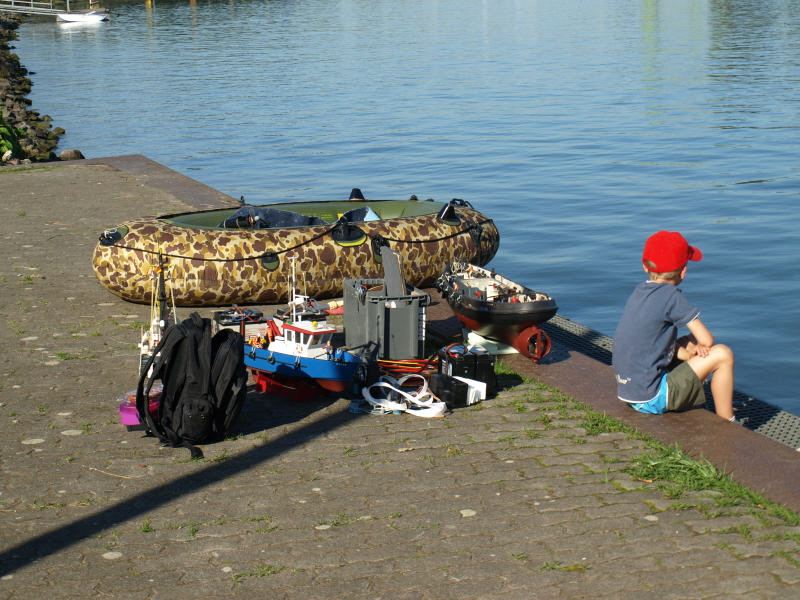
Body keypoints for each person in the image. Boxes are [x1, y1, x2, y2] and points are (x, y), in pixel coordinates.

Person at [612, 231, 736, 422]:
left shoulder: (639, 292)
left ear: (645, 266)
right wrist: (699, 346)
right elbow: (707, 339)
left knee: (687, 341)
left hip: (629, 390)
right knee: (722, 354)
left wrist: (690, 351)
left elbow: (653, 342)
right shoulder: (672, 296)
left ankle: (690, 366)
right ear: (684, 271)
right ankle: (728, 423)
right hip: (651, 398)